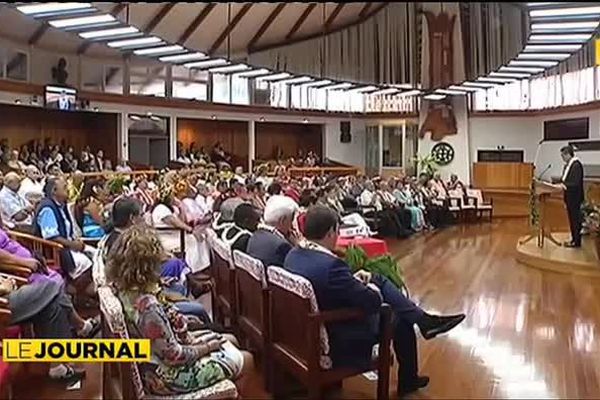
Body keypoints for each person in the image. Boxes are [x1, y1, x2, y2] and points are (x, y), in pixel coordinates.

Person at [285, 206, 466, 395]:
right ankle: (415, 354)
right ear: (331, 232)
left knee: (376, 279)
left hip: (306, 327)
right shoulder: (331, 266)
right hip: (337, 333)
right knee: (398, 317)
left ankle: (422, 321)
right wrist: (366, 286)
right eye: (338, 231)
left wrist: (355, 280)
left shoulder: (293, 255)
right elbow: (371, 302)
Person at [106, 225, 252, 396]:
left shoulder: (125, 290)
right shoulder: (147, 307)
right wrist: (207, 347)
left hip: (150, 363)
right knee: (248, 359)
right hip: (166, 377)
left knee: (231, 340)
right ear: (148, 264)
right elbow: (175, 356)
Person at [100, 198, 210, 323]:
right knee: (199, 309)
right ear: (132, 218)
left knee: (177, 287)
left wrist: (159, 281)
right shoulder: (130, 243)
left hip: (137, 296)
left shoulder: (116, 239)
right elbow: (135, 279)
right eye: (141, 215)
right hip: (142, 302)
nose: (144, 219)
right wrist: (159, 287)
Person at [0, 275, 86, 383]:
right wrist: (4, 287)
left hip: (8, 292)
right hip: (3, 301)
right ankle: (81, 327)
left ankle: (56, 365)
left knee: (53, 305)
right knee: (53, 288)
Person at [34, 176, 95, 285]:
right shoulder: (47, 208)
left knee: (96, 255)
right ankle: (73, 291)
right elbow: (51, 237)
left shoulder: (62, 205)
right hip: (53, 251)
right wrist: (73, 245)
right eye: (65, 187)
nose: (68, 189)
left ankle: (81, 293)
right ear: (54, 191)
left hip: (68, 245)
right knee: (87, 263)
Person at [246, 195, 299, 267]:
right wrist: (296, 245)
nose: (292, 225)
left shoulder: (254, 236)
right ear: (282, 220)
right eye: (291, 219)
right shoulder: (282, 246)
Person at [558, 145, 584, 248]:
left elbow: (575, 182)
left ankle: (576, 241)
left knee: (575, 220)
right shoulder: (569, 165)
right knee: (572, 220)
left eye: (563, 156)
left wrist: (564, 185)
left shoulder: (576, 165)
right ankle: (574, 239)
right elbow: (566, 180)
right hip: (570, 197)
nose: (562, 158)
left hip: (575, 198)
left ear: (568, 154)